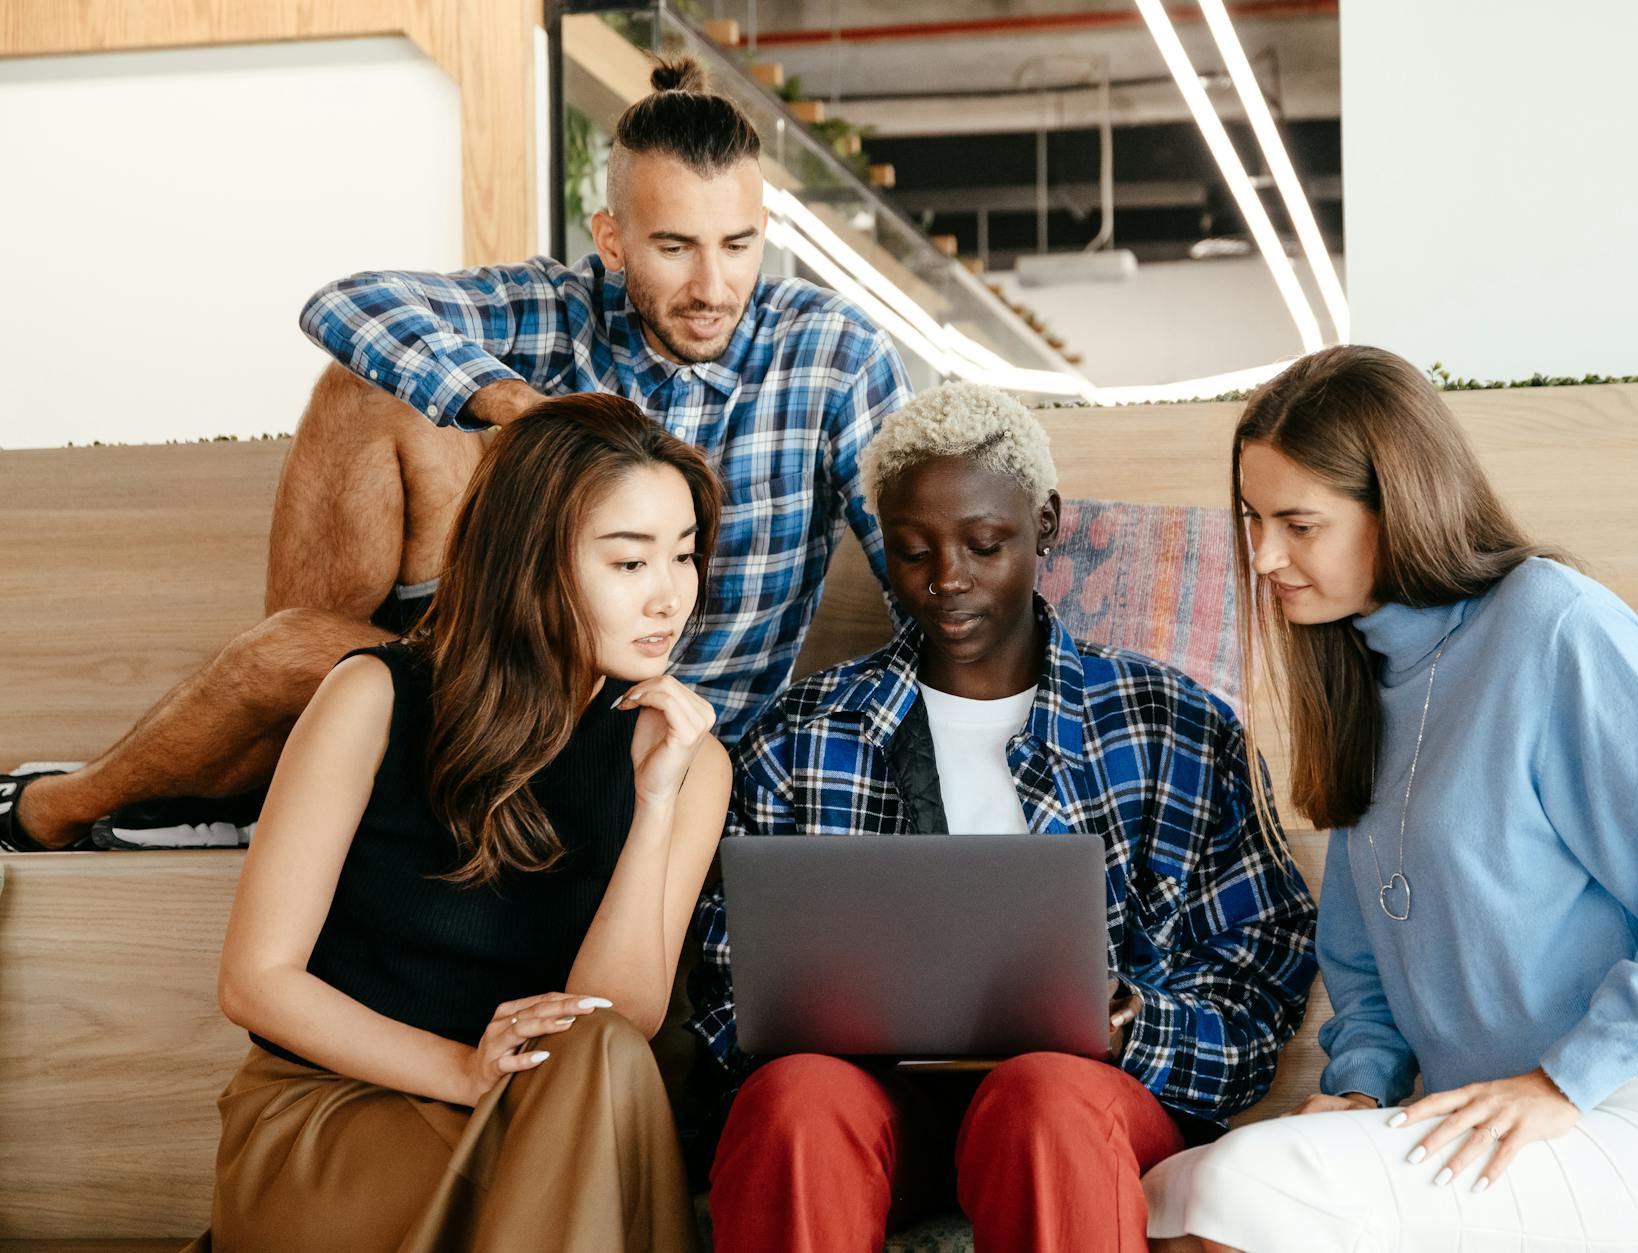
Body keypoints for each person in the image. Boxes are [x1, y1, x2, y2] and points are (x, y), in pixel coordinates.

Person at [0, 55, 907, 853]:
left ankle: (56, 808)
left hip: (651, 744)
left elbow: (922, 575)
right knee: (361, 387)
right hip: (512, 678)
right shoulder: (560, 305)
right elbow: (345, 304)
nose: (714, 287)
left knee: (278, 657)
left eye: (738, 245)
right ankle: (291, 756)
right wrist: (518, 407)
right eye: (674, 247)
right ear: (612, 240)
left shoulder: (832, 353)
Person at [1143, 345, 1638, 1253]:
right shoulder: (1358, 682)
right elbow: (1363, 963)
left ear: (1397, 505)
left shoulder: (1552, 624)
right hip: (1491, 1124)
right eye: (1254, 519)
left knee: (1241, 1189)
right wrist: (1362, 1089)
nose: (1263, 556)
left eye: (1298, 523)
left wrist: (1563, 1079)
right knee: (1168, 1192)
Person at [686, 381, 1318, 1253]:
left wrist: (1131, 1019)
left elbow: (1263, 973)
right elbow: (727, 990)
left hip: (1077, 1106)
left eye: (985, 545)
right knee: (795, 1099)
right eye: (911, 552)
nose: (948, 580)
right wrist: (819, 1026)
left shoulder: (1174, 723)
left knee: (1042, 1099)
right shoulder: (801, 732)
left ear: (1047, 524)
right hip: (870, 1110)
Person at [189, 393, 729, 1253]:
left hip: (542, 1125)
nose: (670, 596)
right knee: (580, 1180)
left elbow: (618, 1018)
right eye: (630, 564)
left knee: (604, 1055)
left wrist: (655, 803)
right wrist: (462, 1071)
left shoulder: (687, 759)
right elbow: (256, 980)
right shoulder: (374, 697)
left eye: (685, 556)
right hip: (336, 1117)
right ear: (530, 561)